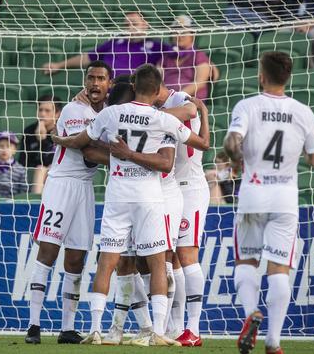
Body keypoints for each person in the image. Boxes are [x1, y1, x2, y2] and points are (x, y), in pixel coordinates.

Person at [51, 63, 208, 346]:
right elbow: (200, 146)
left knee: (108, 262)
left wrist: (59, 138)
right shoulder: (164, 119)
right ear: (157, 88)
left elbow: (81, 142)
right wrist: (204, 115)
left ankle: (97, 329)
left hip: (118, 196)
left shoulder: (111, 114)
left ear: (133, 85)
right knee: (159, 263)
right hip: (151, 198)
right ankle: (158, 330)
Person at [223, 51, 314, 354]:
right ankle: (274, 342)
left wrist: (238, 157)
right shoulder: (303, 111)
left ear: (261, 75)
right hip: (285, 199)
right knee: (279, 269)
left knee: (246, 262)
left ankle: (250, 313)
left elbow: (231, 143)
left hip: (253, 195)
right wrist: (309, 155)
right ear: (288, 76)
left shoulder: (248, 106)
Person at [24, 61, 112, 345]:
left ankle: (67, 328)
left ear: (108, 85)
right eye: (91, 78)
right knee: (48, 252)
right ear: (85, 82)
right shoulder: (75, 110)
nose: (95, 83)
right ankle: (33, 325)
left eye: (101, 78)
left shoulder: (107, 115)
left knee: (76, 258)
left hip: (85, 189)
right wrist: (123, 158)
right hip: (61, 185)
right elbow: (86, 150)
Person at [42, 11, 171, 77]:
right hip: (107, 91)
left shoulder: (156, 47)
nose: (130, 27)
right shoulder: (114, 43)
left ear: (145, 25)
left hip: (135, 94)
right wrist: (59, 64)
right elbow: (88, 58)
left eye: (134, 24)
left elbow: (181, 56)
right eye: (126, 25)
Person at [160, 15, 219, 101]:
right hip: (165, 101)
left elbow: (200, 83)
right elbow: (158, 80)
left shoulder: (199, 56)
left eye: (183, 32)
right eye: (175, 31)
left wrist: (175, 97)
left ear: (192, 34)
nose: (179, 35)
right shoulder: (165, 56)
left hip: (190, 102)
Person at [18, 94, 63, 194]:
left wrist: (42, 141)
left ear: (57, 114)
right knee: (40, 169)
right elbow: (23, 161)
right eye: (40, 110)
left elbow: (54, 162)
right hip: (30, 177)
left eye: (47, 111)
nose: (42, 114)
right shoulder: (29, 130)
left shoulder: (61, 132)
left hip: (56, 177)